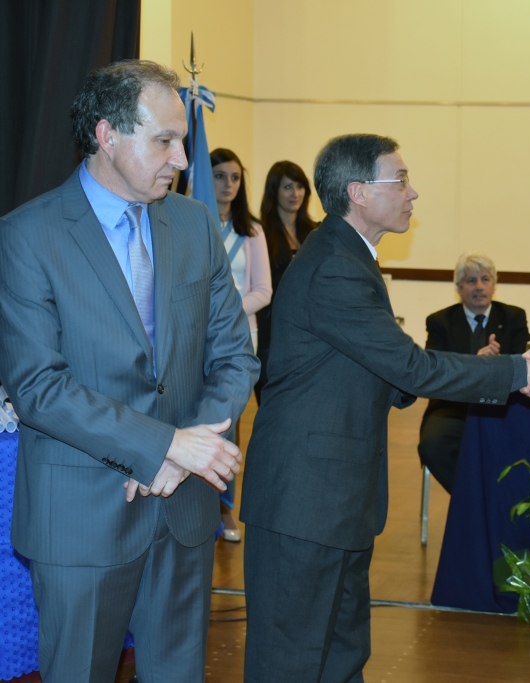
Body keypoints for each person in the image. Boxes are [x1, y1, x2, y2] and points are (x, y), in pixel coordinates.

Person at [240, 133, 530, 682]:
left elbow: (384, 367)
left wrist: (412, 368)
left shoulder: (349, 255)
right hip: (304, 501)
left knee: (341, 657)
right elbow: (412, 369)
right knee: (293, 662)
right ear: (359, 193)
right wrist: (519, 371)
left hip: (335, 498)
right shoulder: (335, 265)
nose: (412, 193)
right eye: (400, 180)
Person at [0, 60, 258, 682]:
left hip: (184, 515)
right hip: (82, 519)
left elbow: (234, 358)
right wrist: (161, 448)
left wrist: (184, 456)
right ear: (107, 134)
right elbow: (38, 387)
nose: (182, 158)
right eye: (164, 140)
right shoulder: (28, 236)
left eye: (181, 140)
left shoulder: (195, 225)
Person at [418, 252, 530, 493]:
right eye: (471, 281)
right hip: (452, 407)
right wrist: (474, 363)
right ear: (459, 288)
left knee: (527, 445)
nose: (479, 287)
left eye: (485, 279)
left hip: (503, 408)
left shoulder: (514, 317)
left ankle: (502, 498)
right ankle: (472, 499)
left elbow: (525, 366)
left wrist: (499, 363)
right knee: (432, 446)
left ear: (494, 285)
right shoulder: (439, 321)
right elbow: (435, 372)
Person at [211, 147, 272, 542]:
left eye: (235, 177)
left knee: (227, 424)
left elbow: (263, 290)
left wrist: (227, 312)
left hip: (237, 337)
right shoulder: (189, 221)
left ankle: (226, 508)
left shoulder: (251, 230)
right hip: (193, 337)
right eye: (220, 176)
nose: (229, 184)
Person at [253, 160, 317, 402]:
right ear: (274, 191)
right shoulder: (259, 234)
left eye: (300, 186)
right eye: (287, 187)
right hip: (272, 336)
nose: (295, 193)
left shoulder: (315, 233)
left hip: (309, 335)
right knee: (273, 406)